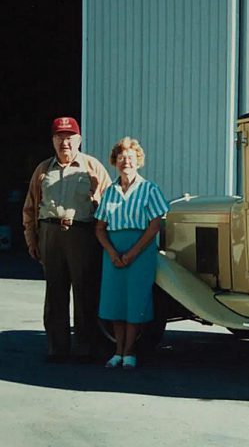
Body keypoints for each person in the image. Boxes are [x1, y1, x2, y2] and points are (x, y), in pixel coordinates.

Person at [22, 116, 112, 363]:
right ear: (53, 140)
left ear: (79, 139)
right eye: (60, 137)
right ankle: (57, 348)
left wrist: (97, 202)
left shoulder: (92, 167)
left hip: (82, 234)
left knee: (85, 291)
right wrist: (31, 239)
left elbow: (110, 206)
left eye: (70, 137)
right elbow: (30, 207)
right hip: (49, 234)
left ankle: (85, 347)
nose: (65, 142)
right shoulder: (43, 170)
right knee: (55, 292)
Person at [94, 137, 169, 369]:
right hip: (113, 255)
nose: (125, 162)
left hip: (141, 253)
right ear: (114, 162)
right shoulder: (110, 192)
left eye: (130, 157)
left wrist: (133, 253)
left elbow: (155, 225)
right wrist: (113, 253)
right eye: (120, 158)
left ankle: (130, 352)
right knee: (116, 302)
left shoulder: (150, 189)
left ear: (138, 161)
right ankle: (117, 352)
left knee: (135, 302)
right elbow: (99, 228)